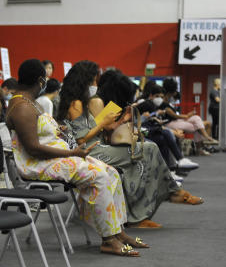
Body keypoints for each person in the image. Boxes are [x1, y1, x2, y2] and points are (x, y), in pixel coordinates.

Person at [7, 59, 142, 256]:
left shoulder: (29, 102)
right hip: (37, 164)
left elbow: (41, 135)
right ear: (40, 80)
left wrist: (59, 131)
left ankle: (118, 230)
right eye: (45, 78)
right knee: (99, 176)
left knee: (111, 172)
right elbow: (34, 149)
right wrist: (72, 152)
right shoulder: (22, 107)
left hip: (53, 158)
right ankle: (108, 239)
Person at [57, 61, 202, 230]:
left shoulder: (80, 101)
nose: (96, 85)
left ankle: (145, 210)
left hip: (96, 147)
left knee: (145, 152)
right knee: (145, 151)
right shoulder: (76, 103)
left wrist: (117, 120)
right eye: (94, 81)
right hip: (91, 151)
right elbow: (82, 138)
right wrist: (103, 121)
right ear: (85, 80)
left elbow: (93, 129)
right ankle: (155, 203)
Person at [96, 72, 199, 174]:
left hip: (122, 139)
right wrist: (125, 120)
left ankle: (169, 173)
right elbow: (105, 131)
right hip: (108, 145)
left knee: (156, 142)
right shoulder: (102, 104)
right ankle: (169, 175)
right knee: (151, 144)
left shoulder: (115, 105)